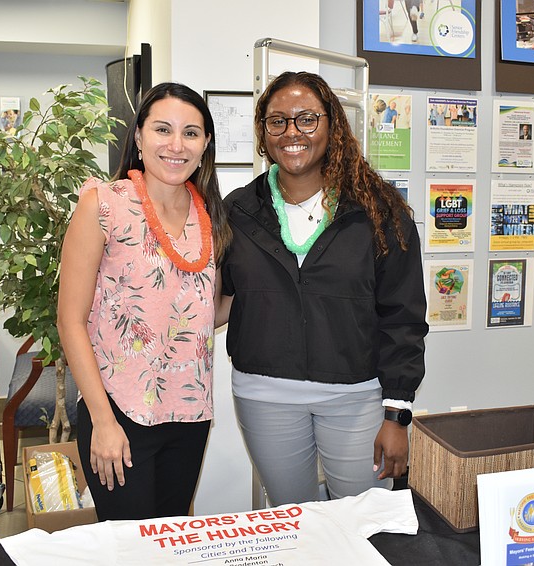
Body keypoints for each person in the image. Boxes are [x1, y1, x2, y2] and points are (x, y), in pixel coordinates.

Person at [220, 71, 428, 506]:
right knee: (293, 522)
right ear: (263, 133)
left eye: (307, 119)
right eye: (277, 121)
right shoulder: (238, 210)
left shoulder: (378, 209)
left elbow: (403, 318)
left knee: (363, 521)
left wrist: (397, 415)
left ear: (332, 125)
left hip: (356, 397)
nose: (292, 132)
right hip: (265, 396)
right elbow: (214, 295)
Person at [57, 82, 231, 521]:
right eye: (162, 130)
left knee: (170, 542)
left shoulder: (210, 215)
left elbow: (203, 317)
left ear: (205, 143)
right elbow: (69, 321)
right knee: (127, 549)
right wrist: (102, 420)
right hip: (120, 410)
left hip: (189, 414)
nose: (176, 145)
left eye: (191, 133)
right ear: (138, 137)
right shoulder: (103, 205)